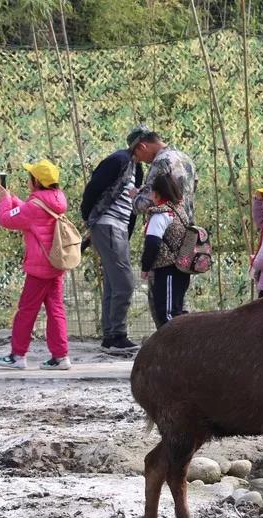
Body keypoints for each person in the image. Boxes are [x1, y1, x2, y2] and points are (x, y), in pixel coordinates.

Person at [80, 125, 159, 353]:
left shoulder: (137, 168)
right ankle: (117, 335)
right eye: (151, 150)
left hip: (118, 227)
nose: (152, 156)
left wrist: (126, 232)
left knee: (114, 284)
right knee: (125, 282)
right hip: (108, 224)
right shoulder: (118, 160)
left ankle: (110, 336)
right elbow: (93, 189)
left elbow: (133, 207)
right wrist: (90, 218)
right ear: (141, 146)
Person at [0, 160, 71, 370]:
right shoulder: (57, 199)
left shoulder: (35, 206)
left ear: (36, 181)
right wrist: (12, 199)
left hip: (39, 268)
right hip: (56, 264)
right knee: (56, 310)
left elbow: (6, 219)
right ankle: (61, 356)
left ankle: (18, 356)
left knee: (26, 311)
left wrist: (4, 199)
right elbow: (30, 211)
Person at [140, 174, 191, 327]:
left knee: (168, 315)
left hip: (167, 270)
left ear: (156, 194)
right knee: (176, 311)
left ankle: (173, 349)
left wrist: (145, 267)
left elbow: (152, 243)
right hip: (182, 269)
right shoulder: (180, 211)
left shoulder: (160, 214)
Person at [133, 132, 198, 224]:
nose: (138, 159)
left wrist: (135, 196)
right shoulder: (186, 159)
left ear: (142, 147)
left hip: (167, 227)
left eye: (136, 154)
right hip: (187, 226)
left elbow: (147, 203)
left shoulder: (161, 162)